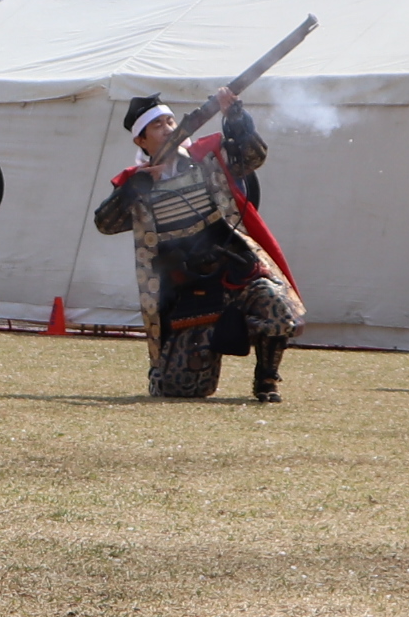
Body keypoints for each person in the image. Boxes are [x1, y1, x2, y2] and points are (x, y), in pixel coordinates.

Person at [94, 94, 305, 402]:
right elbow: (106, 223)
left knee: (275, 307)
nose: (167, 129)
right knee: (181, 389)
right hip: (188, 288)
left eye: (170, 121)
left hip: (234, 270)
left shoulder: (209, 157)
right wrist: (133, 189)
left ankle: (266, 380)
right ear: (141, 139)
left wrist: (234, 117)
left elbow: (253, 157)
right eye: (157, 126)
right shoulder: (136, 181)